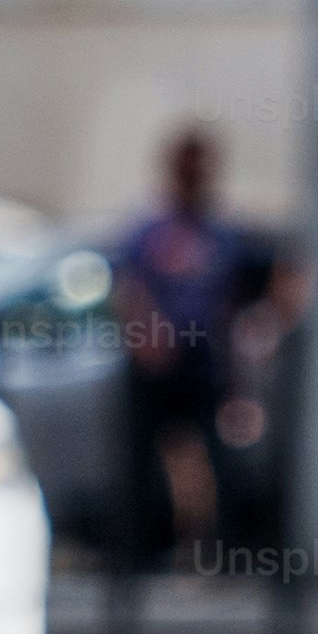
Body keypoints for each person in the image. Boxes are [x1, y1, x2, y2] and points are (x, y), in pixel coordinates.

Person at [110, 126, 269, 581]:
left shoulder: (221, 233)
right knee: (139, 466)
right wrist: (148, 339)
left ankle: (224, 557)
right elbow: (129, 289)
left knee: (221, 463)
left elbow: (232, 301)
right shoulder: (149, 229)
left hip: (204, 364)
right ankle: (133, 563)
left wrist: (237, 371)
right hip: (155, 364)